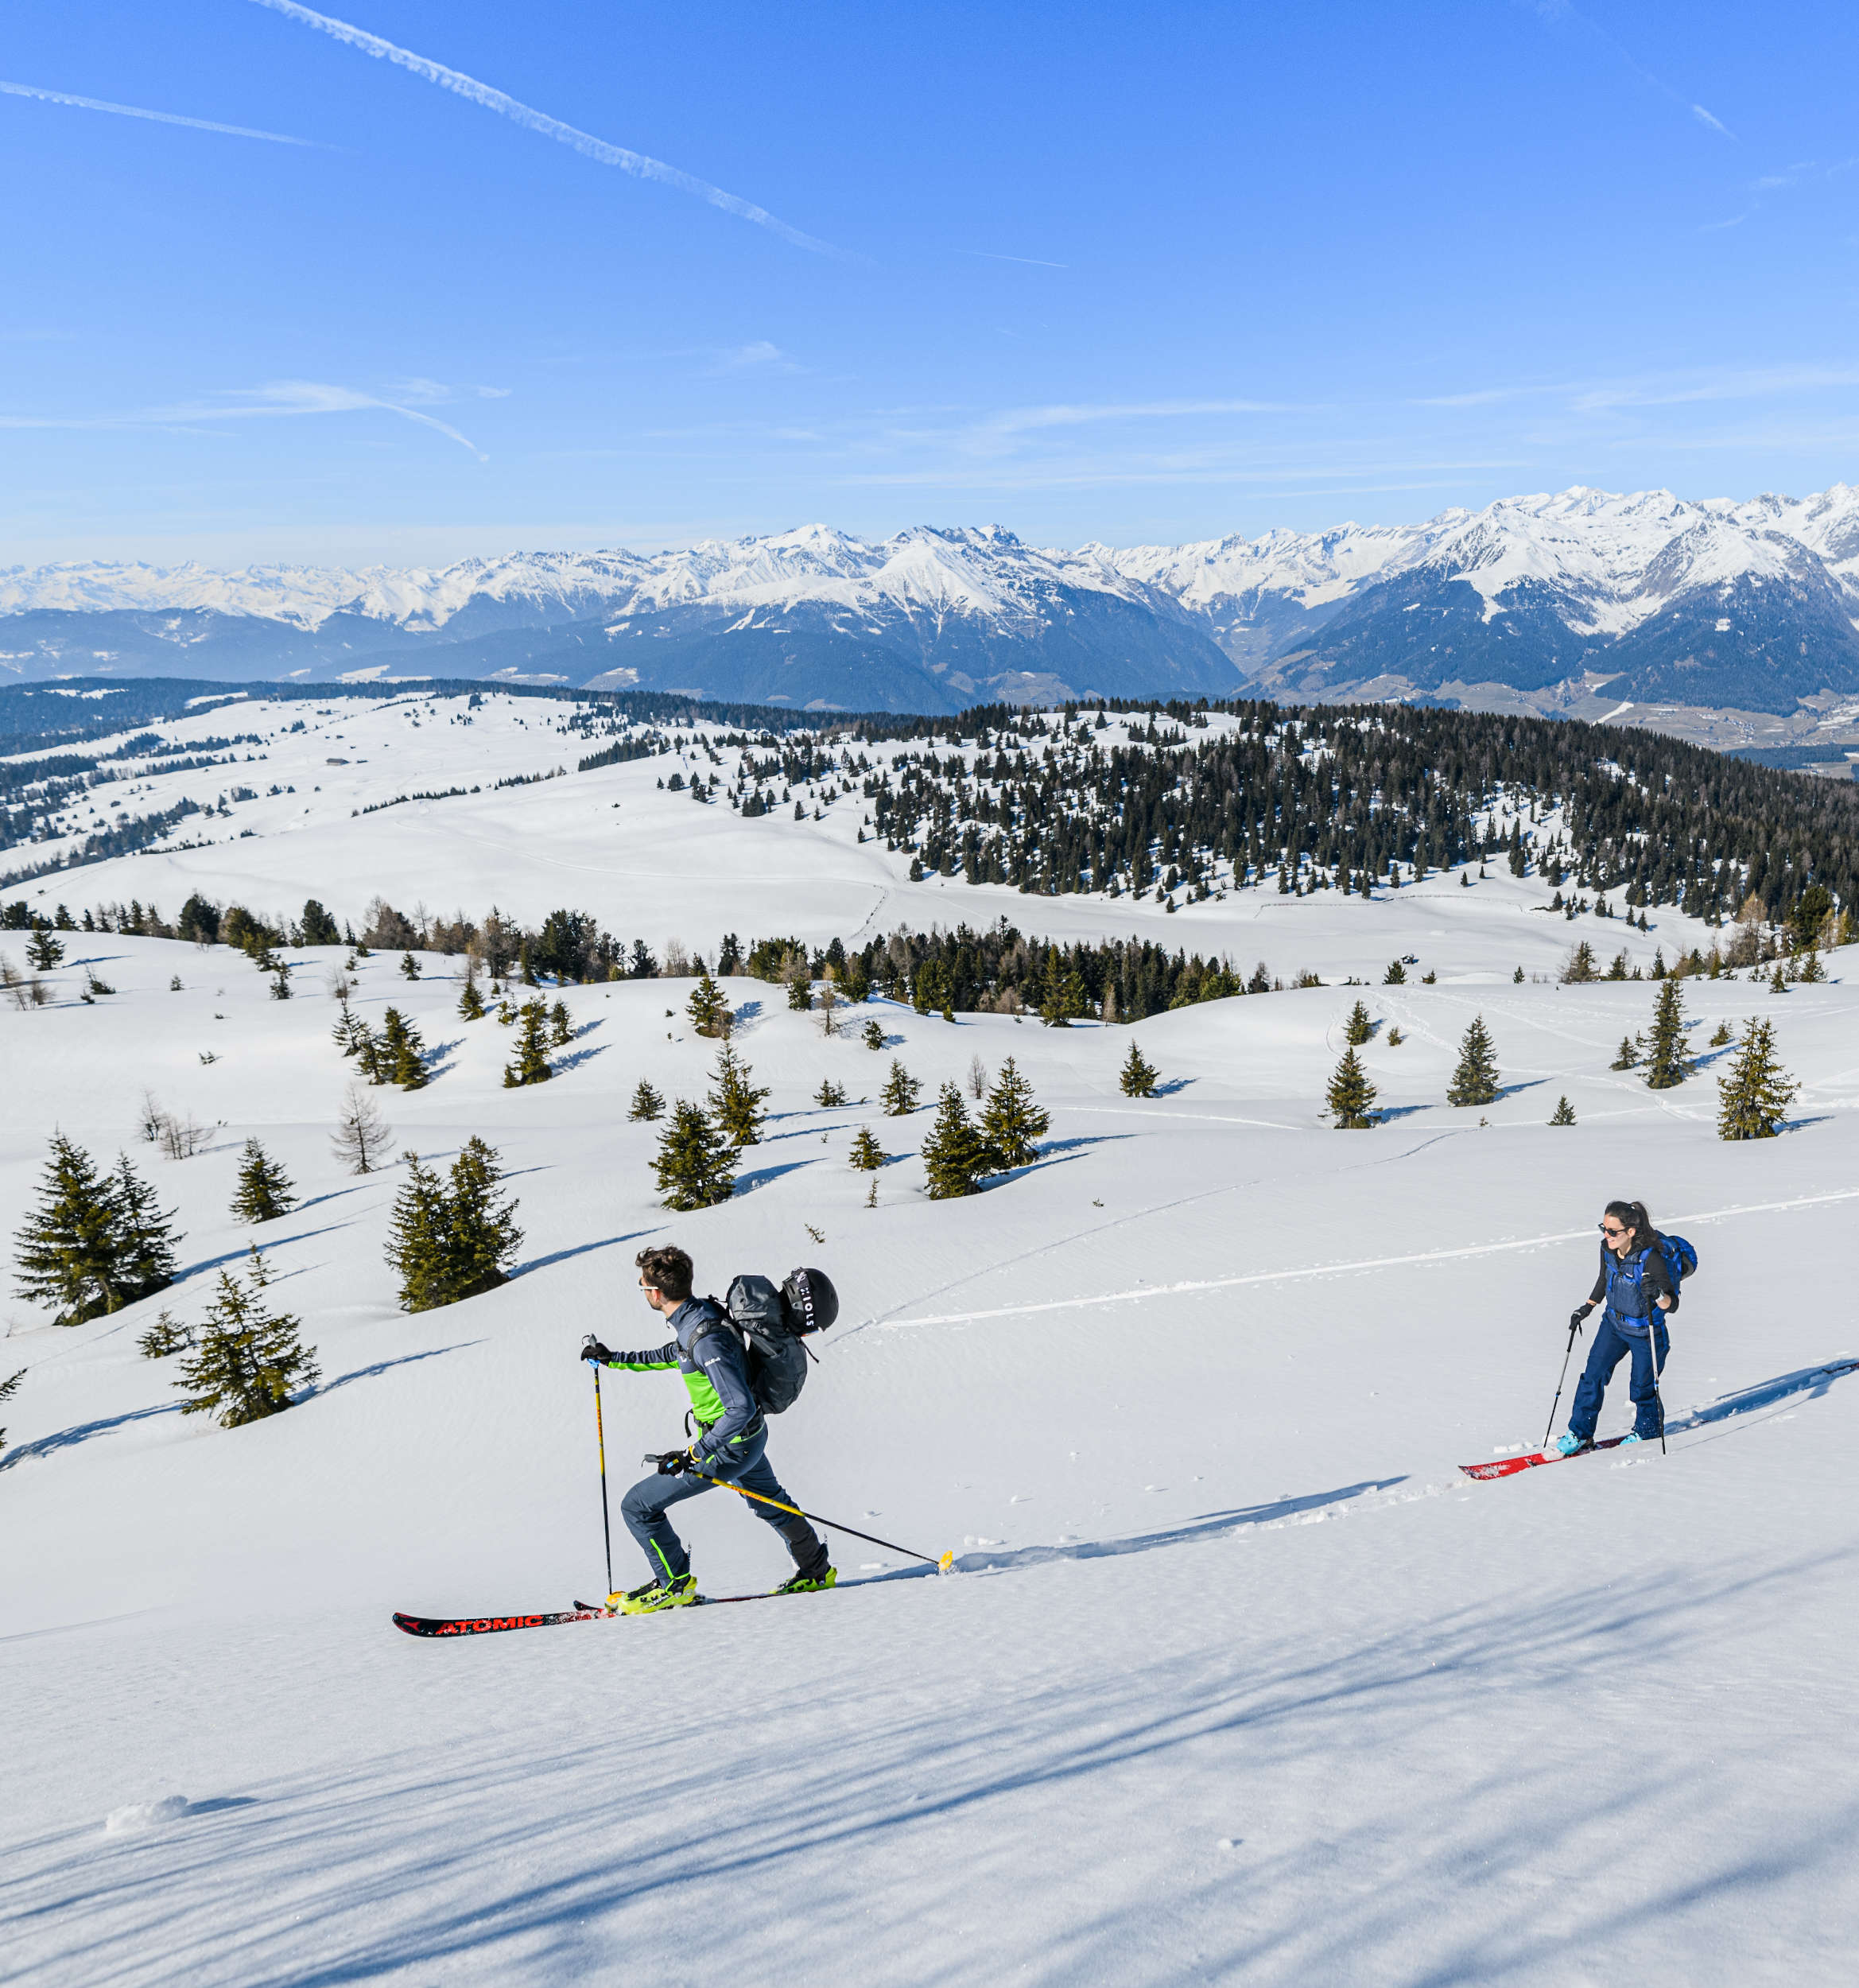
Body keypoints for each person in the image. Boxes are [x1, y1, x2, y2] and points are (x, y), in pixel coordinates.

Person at [581, 1245, 836, 1613]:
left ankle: (674, 1587)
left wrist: (693, 1454)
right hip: (747, 1439)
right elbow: (676, 1353)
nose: (642, 1290)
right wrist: (613, 1359)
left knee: (637, 1506)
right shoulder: (698, 1316)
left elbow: (739, 1406)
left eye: (642, 1286)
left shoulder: (706, 1337)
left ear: (655, 1293)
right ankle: (817, 1571)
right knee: (772, 1504)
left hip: (730, 1445)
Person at [1555, 1198, 1679, 1454]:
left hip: (1646, 1332)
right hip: (1613, 1325)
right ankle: (1580, 1434)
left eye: (1613, 1231)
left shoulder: (1651, 1259)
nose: (1607, 1235)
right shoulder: (1607, 1249)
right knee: (1592, 1377)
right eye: (1604, 1228)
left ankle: (1648, 1431)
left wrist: (1656, 1294)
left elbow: (1672, 1304)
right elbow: (1604, 1279)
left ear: (1630, 1232)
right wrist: (1587, 1308)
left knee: (1642, 1387)